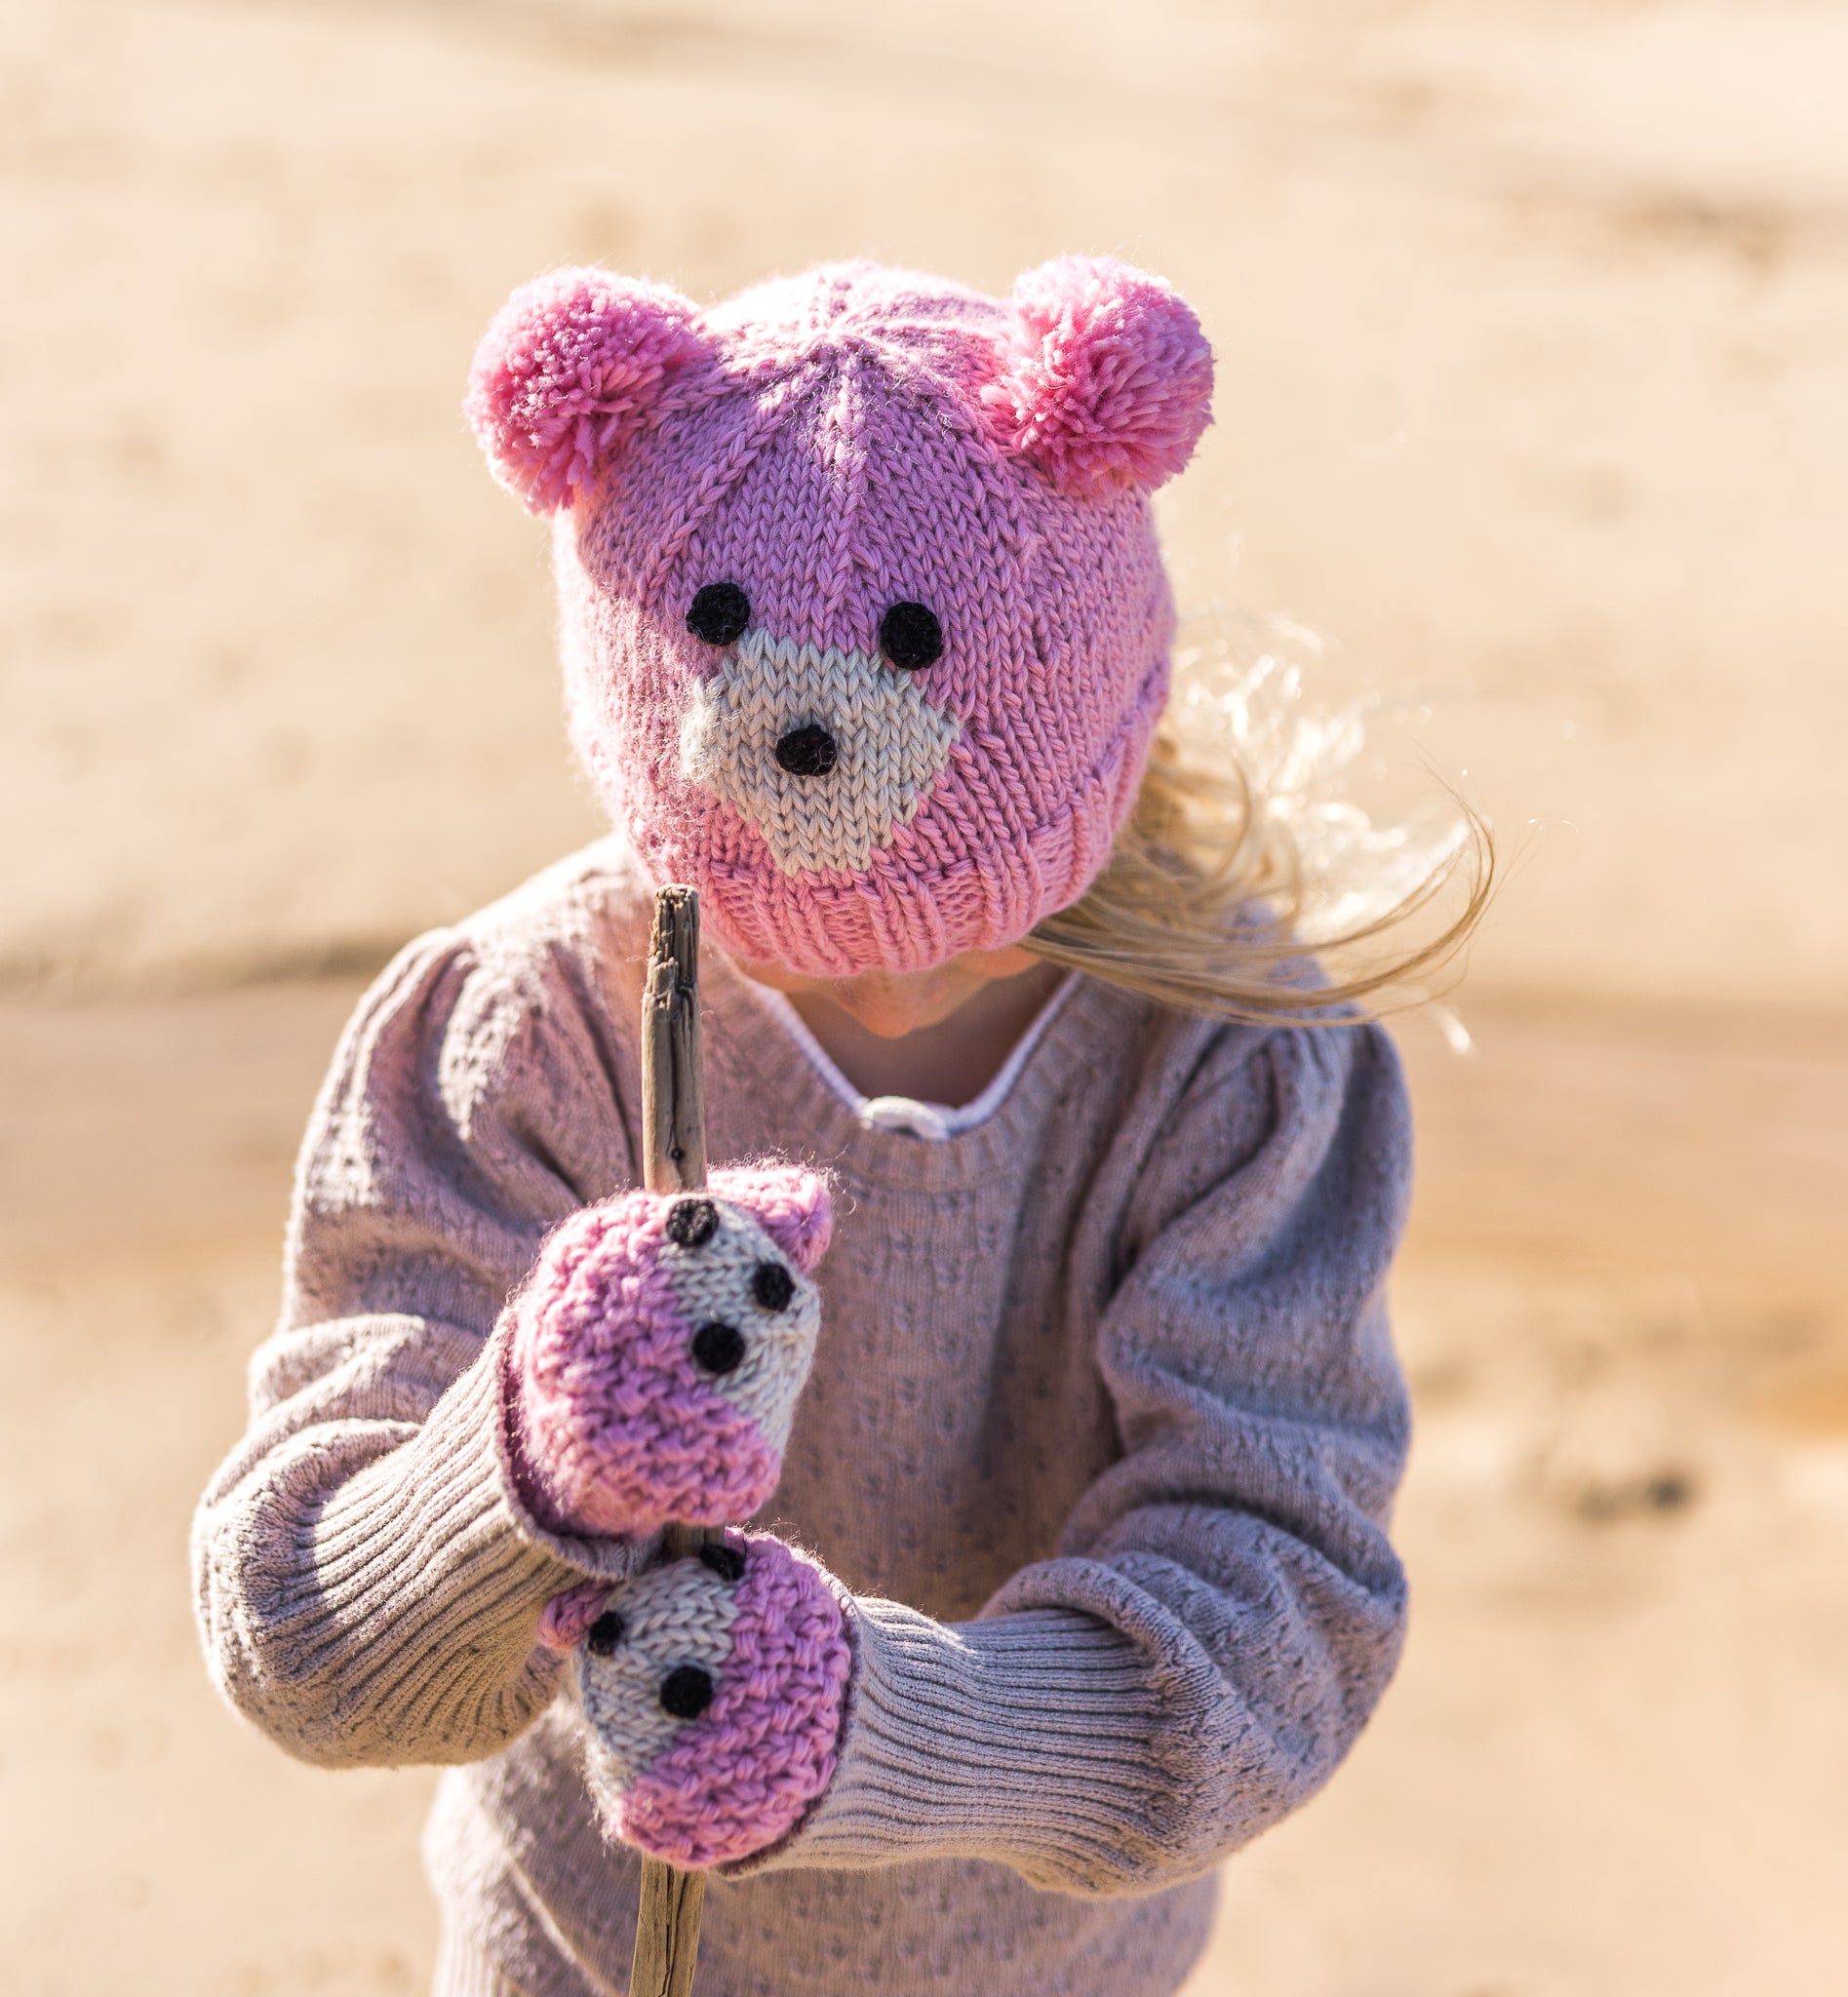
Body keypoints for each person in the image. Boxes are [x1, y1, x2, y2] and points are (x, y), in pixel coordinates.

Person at [191, 255, 1487, 1996]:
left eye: (976, 904)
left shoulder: (1224, 1066)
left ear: (1103, 742)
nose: (888, 986)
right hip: (580, 1961)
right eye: (785, 924)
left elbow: (1276, 1637)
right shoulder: (528, 1033)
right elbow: (299, 1647)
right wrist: (524, 1463)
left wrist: (881, 1729)